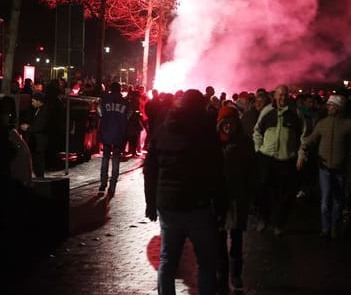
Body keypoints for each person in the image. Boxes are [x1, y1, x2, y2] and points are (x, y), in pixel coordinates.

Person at [144, 89, 226, 295]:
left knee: (167, 260)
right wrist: (221, 207)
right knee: (207, 263)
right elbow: (216, 173)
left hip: (168, 205)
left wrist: (151, 203)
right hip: (198, 206)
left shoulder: (162, 131)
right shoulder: (205, 135)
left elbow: (150, 171)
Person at [297, 94, 351, 240]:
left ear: (339, 107)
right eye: (329, 105)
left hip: (340, 169)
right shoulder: (322, 123)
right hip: (324, 168)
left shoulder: (349, 124)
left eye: (332, 105)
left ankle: (335, 228)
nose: (329, 107)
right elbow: (312, 138)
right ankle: (325, 229)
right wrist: (303, 147)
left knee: (338, 201)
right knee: (325, 201)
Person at [253, 84, 303, 235]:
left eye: (285, 95)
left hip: (286, 159)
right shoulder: (267, 111)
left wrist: (301, 155)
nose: (282, 98)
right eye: (279, 95)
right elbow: (257, 131)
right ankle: (263, 218)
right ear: (274, 95)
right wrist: (258, 150)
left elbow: (304, 136)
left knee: (284, 194)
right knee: (263, 189)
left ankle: (279, 223)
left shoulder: (296, 113)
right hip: (266, 158)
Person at [215, 105, 256, 291]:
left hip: (238, 197)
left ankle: (236, 275)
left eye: (231, 122)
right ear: (220, 123)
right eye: (224, 122)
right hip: (219, 198)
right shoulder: (214, 143)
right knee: (219, 240)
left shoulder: (245, 143)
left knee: (237, 240)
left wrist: (250, 193)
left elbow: (251, 171)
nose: (228, 125)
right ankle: (222, 274)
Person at [98, 82, 129, 197]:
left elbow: (99, 113)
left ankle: (103, 183)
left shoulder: (104, 100)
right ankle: (112, 186)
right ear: (120, 89)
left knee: (105, 158)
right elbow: (129, 116)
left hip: (106, 132)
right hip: (119, 134)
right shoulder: (125, 102)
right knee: (116, 160)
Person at [19, 91, 49, 178]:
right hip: (36, 141)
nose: (32, 103)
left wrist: (27, 128)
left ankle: (40, 179)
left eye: (33, 101)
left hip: (39, 142)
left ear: (39, 101)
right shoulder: (38, 110)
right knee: (36, 162)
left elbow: (39, 126)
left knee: (38, 163)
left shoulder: (44, 111)